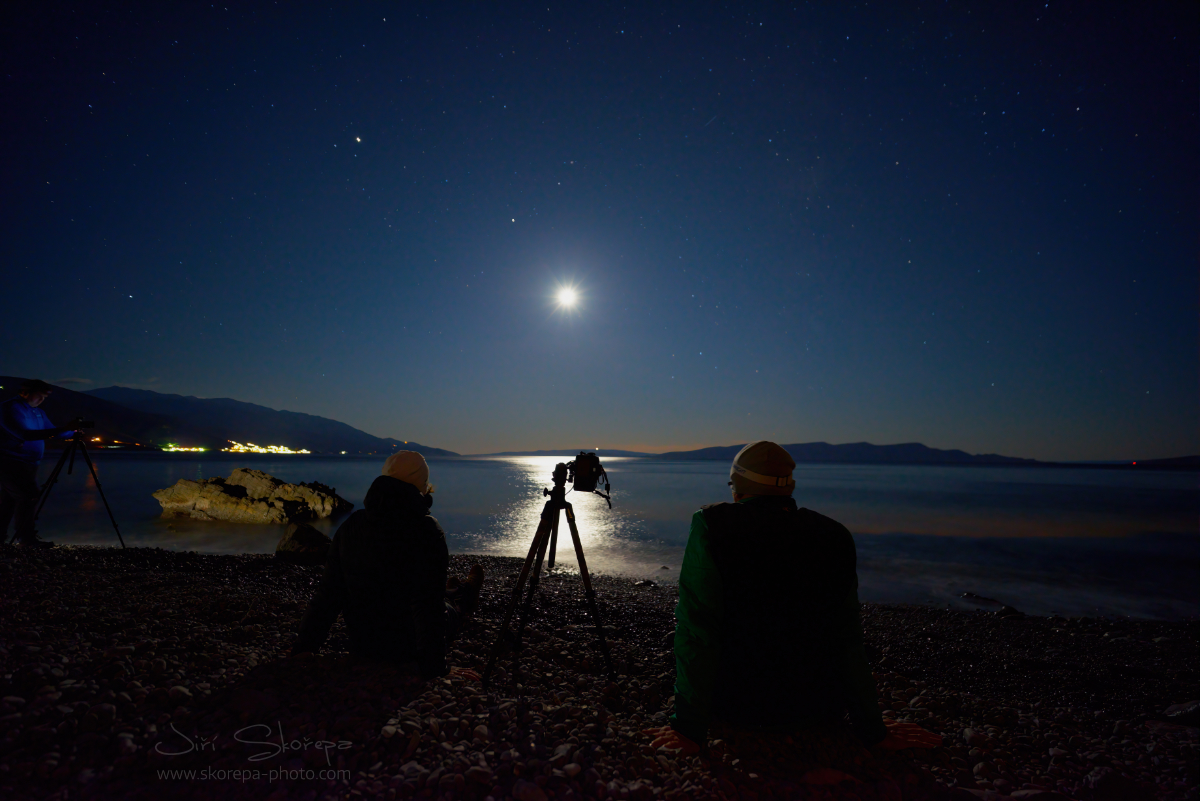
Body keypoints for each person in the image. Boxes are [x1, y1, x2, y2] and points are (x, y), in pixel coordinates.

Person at [644, 441, 941, 754]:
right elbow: (848, 639)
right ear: (788, 489)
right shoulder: (834, 534)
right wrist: (872, 729)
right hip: (818, 710)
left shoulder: (712, 525)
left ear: (739, 487)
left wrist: (688, 729)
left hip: (738, 707)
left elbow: (697, 630)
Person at [291, 451, 484, 680]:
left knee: (431, 593)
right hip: (405, 648)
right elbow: (428, 608)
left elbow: (328, 594)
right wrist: (437, 670)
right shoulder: (427, 530)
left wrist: (304, 648)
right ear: (420, 485)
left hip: (363, 643)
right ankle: (465, 594)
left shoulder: (352, 525)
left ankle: (455, 590)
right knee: (449, 609)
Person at [0, 379, 76, 548]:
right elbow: (24, 434)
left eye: (44, 397)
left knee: (10, 500)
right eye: (39, 396)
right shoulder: (10, 408)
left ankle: (3, 537)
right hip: (10, 460)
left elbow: (54, 432)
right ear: (25, 392)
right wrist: (63, 429)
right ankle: (26, 539)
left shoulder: (38, 412)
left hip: (29, 462)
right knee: (28, 496)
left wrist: (73, 430)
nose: (41, 400)